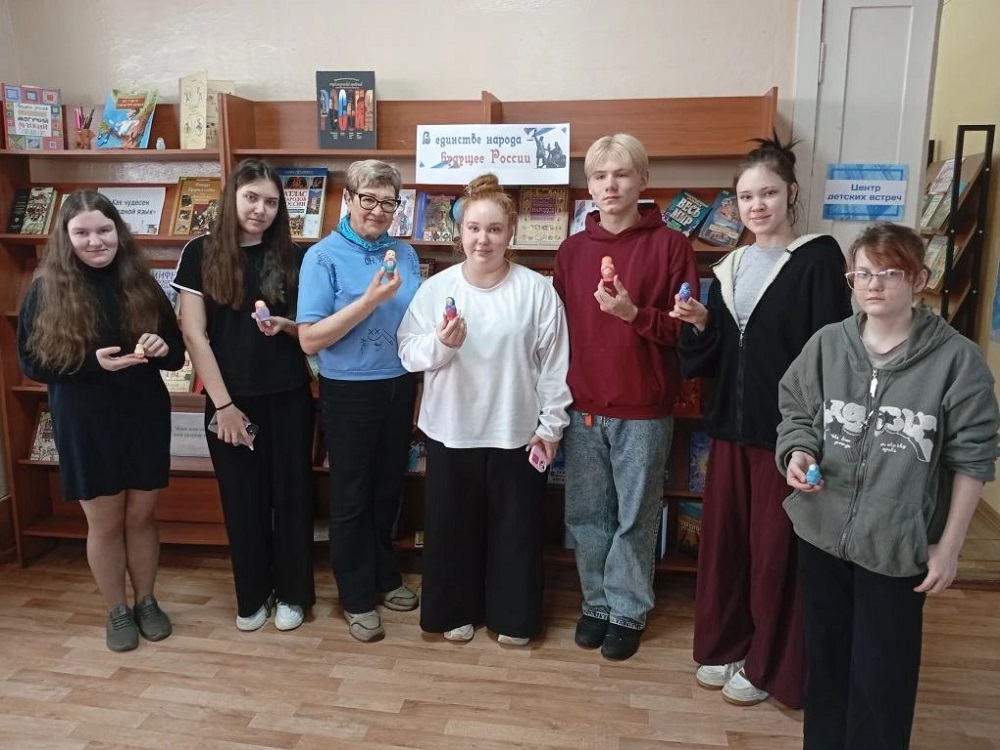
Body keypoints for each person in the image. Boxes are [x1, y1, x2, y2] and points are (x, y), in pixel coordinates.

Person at [777, 222, 1000, 749]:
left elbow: (973, 459)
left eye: (889, 273)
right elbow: (797, 410)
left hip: (897, 545)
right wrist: (798, 451)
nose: (873, 284)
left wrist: (949, 547)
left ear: (919, 278)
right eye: (862, 273)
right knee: (826, 664)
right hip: (821, 533)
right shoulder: (827, 344)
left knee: (882, 677)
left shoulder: (957, 361)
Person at [669, 136, 852, 706]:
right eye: (746, 196)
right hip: (729, 431)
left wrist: (813, 437)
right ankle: (726, 644)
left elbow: (832, 354)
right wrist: (701, 323)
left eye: (768, 193)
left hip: (787, 438)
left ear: (791, 193)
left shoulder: (818, 259)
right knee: (726, 549)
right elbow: (719, 356)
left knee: (777, 556)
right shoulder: (730, 266)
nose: (756, 205)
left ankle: (769, 663)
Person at [397, 173, 571, 646]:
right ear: (460, 232)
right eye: (474, 228)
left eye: (494, 229)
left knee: (515, 531)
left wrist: (551, 427)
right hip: (451, 429)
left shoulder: (536, 290)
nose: (483, 239)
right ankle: (454, 610)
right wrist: (441, 344)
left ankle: (513, 617)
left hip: (517, 430)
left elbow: (555, 366)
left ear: (510, 233)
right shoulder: (437, 288)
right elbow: (408, 352)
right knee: (452, 527)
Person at [17, 190, 184, 652]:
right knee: (106, 523)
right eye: (83, 233)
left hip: (144, 415)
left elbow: (176, 354)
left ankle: (146, 601)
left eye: (104, 230)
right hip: (85, 419)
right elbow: (31, 362)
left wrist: (162, 348)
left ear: (119, 232)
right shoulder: (45, 290)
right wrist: (92, 364)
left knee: (142, 516)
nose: (96, 241)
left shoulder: (142, 283)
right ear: (66, 238)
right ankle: (117, 610)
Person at [554, 133, 698, 661]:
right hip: (583, 408)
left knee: (636, 515)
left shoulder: (672, 246)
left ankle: (628, 610)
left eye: (621, 174)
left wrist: (634, 315)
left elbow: (685, 331)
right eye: (599, 176)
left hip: (644, 408)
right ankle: (596, 603)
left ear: (643, 180)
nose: (610, 185)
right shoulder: (571, 251)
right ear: (589, 187)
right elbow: (556, 334)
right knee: (588, 514)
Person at [174, 158, 315, 633]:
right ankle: (253, 595)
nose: (260, 210)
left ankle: (294, 594)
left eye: (271, 202)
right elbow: (194, 335)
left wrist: (286, 325)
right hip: (229, 400)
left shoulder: (293, 255)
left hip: (289, 394)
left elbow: (308, 330)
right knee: (242, 501)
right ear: (232, 196)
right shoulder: (200, 252)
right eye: (251, 197)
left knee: (293, 497)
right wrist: (225, 406)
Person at [297, 160, 420, 642]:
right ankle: (355, 595)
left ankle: (384, 575)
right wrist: (367, 301)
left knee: (388, 489)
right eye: (368, 198)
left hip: (399, 384)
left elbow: (414, 320)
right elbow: (310, 339)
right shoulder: (322, 257)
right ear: (347, 199)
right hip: (348, 390)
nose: (377, 210)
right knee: (351, 495)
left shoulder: (405, 253)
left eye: (388, 202)